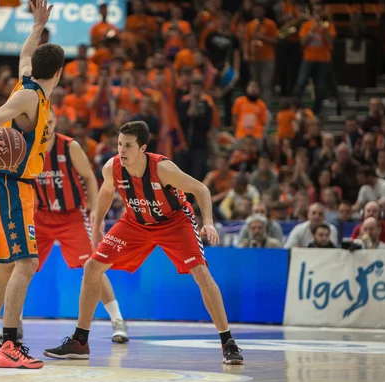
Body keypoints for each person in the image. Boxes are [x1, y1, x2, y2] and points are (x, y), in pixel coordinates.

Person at [43, 121, 244, 365]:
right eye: (119, 144)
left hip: (174, 222)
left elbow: (200, 189)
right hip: (135, 224)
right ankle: (80, 341)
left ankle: (228, 342)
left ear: (143, 148)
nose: (121, 150)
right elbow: (107, 191)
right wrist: (97, 225)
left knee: (201, 273)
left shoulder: (163, 168)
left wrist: (209, 222)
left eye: (128, 146)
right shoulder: (112, 167)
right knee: (92, 267)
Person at [0, 0, 65, 369]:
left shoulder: (34, 85)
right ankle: (10, 344)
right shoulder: (29, 95)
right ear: (58, 72)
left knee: (3, 266)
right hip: (10, 185)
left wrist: (37, 26)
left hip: (8, 186)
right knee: (26, 263)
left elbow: (26, 54)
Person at [32, 109, 128, 342]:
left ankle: (118, 321)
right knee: (21, 267)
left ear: (55, 123)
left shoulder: (70, 147)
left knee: (93, 266)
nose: (47, 126)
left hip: (71, 216)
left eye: (51, 121)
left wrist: (95, 209)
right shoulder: (28, 147)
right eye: (42, 122)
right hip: (41, 216)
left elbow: (89, 177)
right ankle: (13, 324)